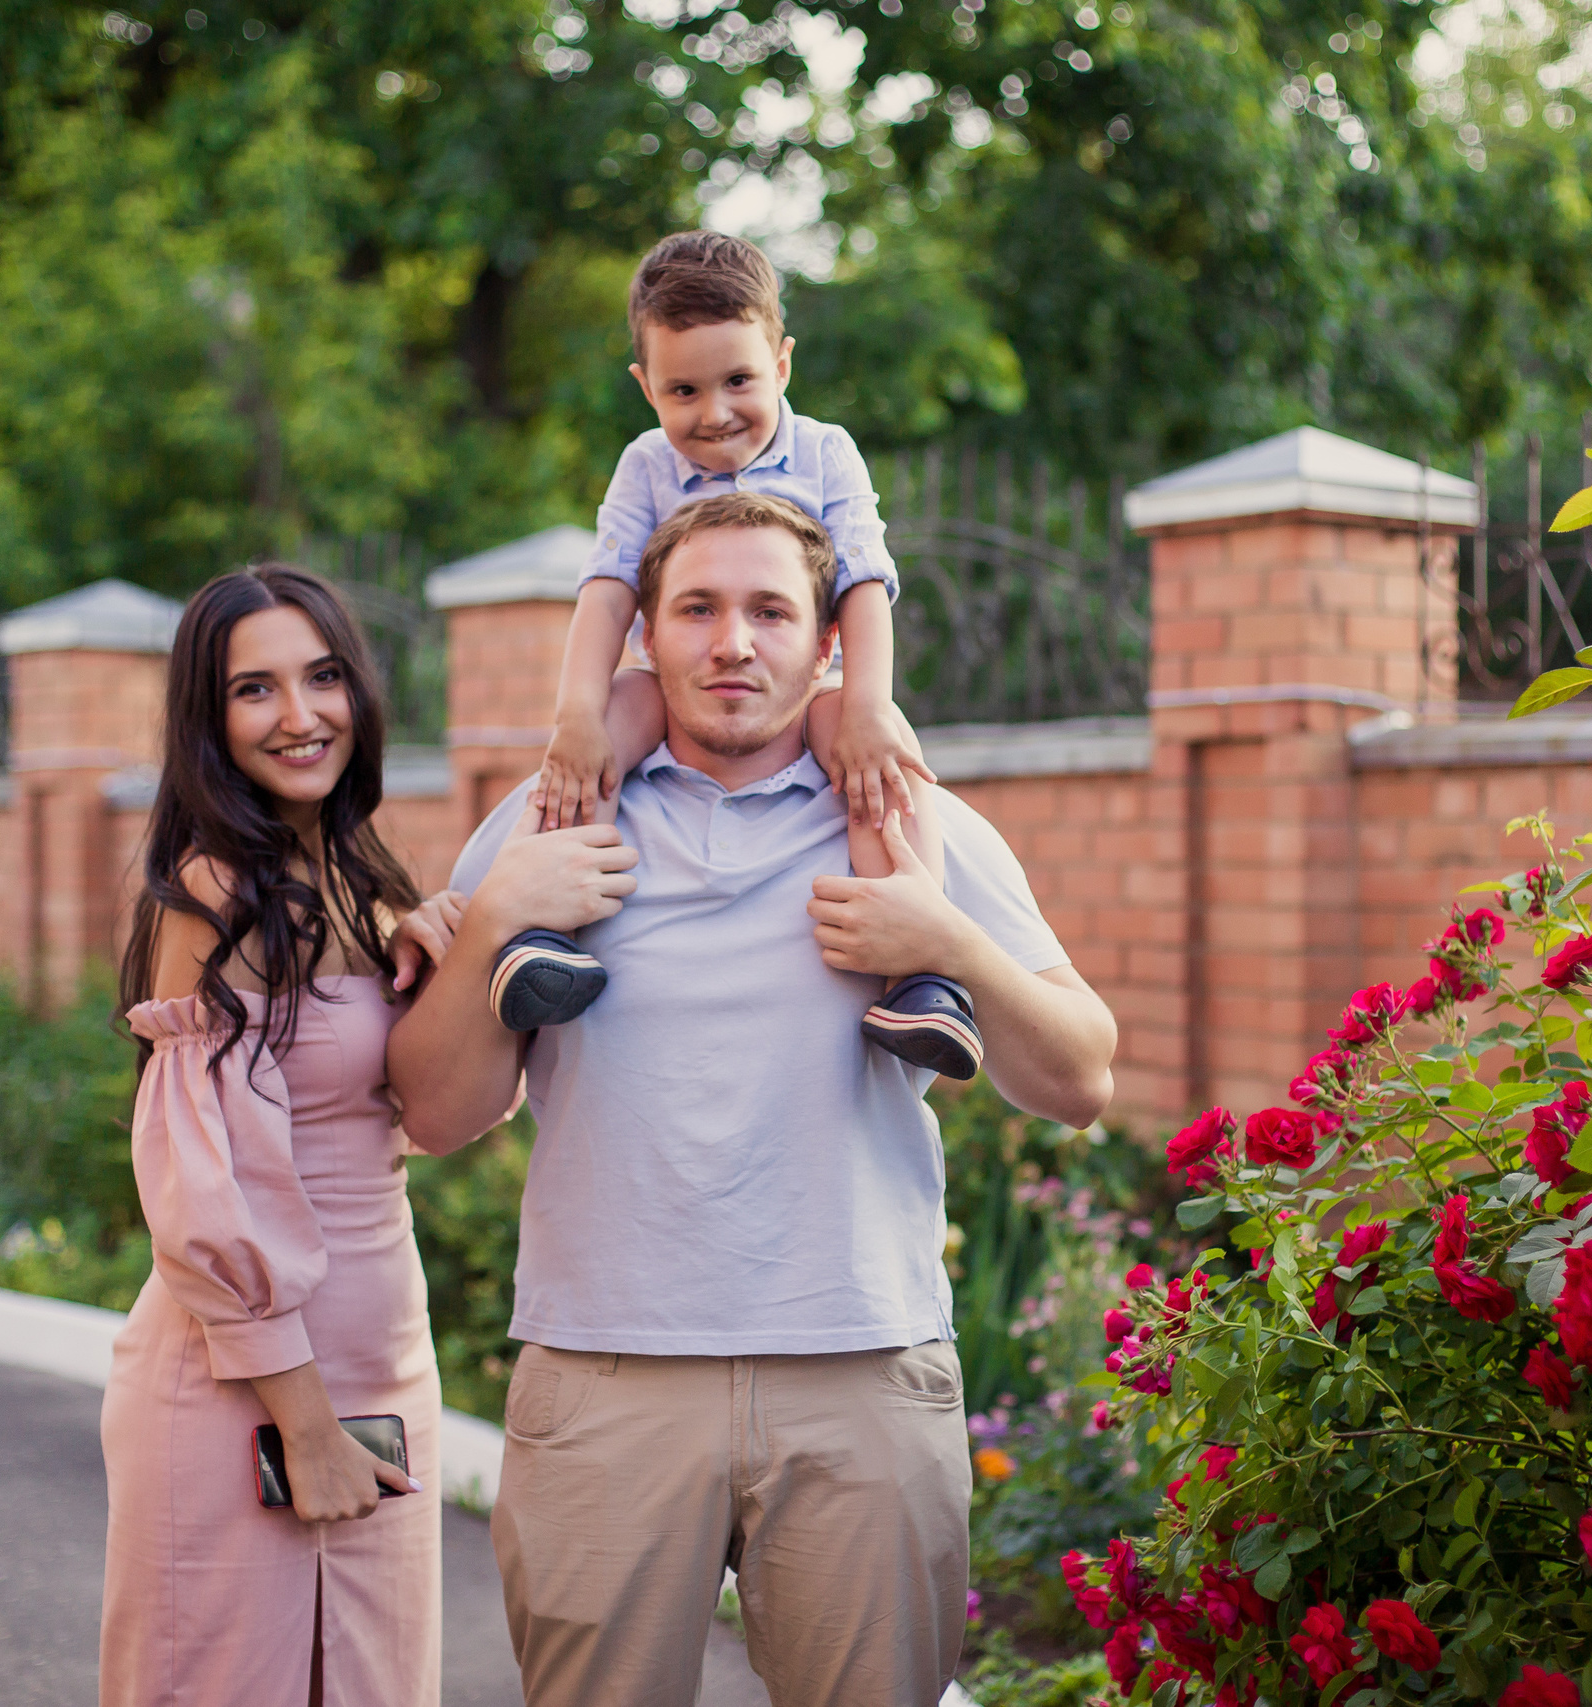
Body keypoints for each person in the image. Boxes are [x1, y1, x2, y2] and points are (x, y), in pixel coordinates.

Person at [388, 493, 1118, 1707]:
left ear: (829, 641)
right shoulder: (553, 817)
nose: (734, 641)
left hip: (861, 1372)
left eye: (771, 610)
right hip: (606, 1378)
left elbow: (1080, 1078)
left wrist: (952, 943)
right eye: (700, 608)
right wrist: (496, 924)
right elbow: (435, 1112)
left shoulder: (908, 824)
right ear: (648, 638)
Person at [101, 564, 472, 1707]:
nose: (299, 715)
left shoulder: (357, 877)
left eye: (321, 678)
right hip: (251, 1396)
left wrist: (451, 953)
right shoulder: (216, 896)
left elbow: (433, 1114)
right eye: (253, 689)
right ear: (208, 722)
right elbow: (199, 1187)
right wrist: (302, 1425)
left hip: (382, 1369)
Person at [486, 230, 981, 1081]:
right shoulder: (646, 464)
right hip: (666, 678)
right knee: (603, 731)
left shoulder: (825, 451)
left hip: (811, 686)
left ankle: (924, 971)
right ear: (645, 386)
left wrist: (864, 702)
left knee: (882, 763)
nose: (713, 412)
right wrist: (575, 713)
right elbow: (607, 588)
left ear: (782, 364)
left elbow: (863, 581)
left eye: (739, 381)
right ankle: (550, 936)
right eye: (684, 389)